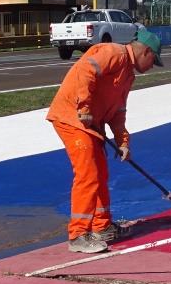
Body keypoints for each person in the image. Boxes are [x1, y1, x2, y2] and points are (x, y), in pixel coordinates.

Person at [46, 30, 163, 253]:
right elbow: (85, 70)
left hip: (92, 125)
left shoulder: (128, 74)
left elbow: (118, 111)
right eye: (153, 61)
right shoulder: (113, 52)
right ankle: (79, 235)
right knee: (88, 174)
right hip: (72, 118)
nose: (152, 66)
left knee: (100, 173)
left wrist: (123, 141)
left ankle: (102, 226)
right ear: (145, 51)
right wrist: (85, 108)